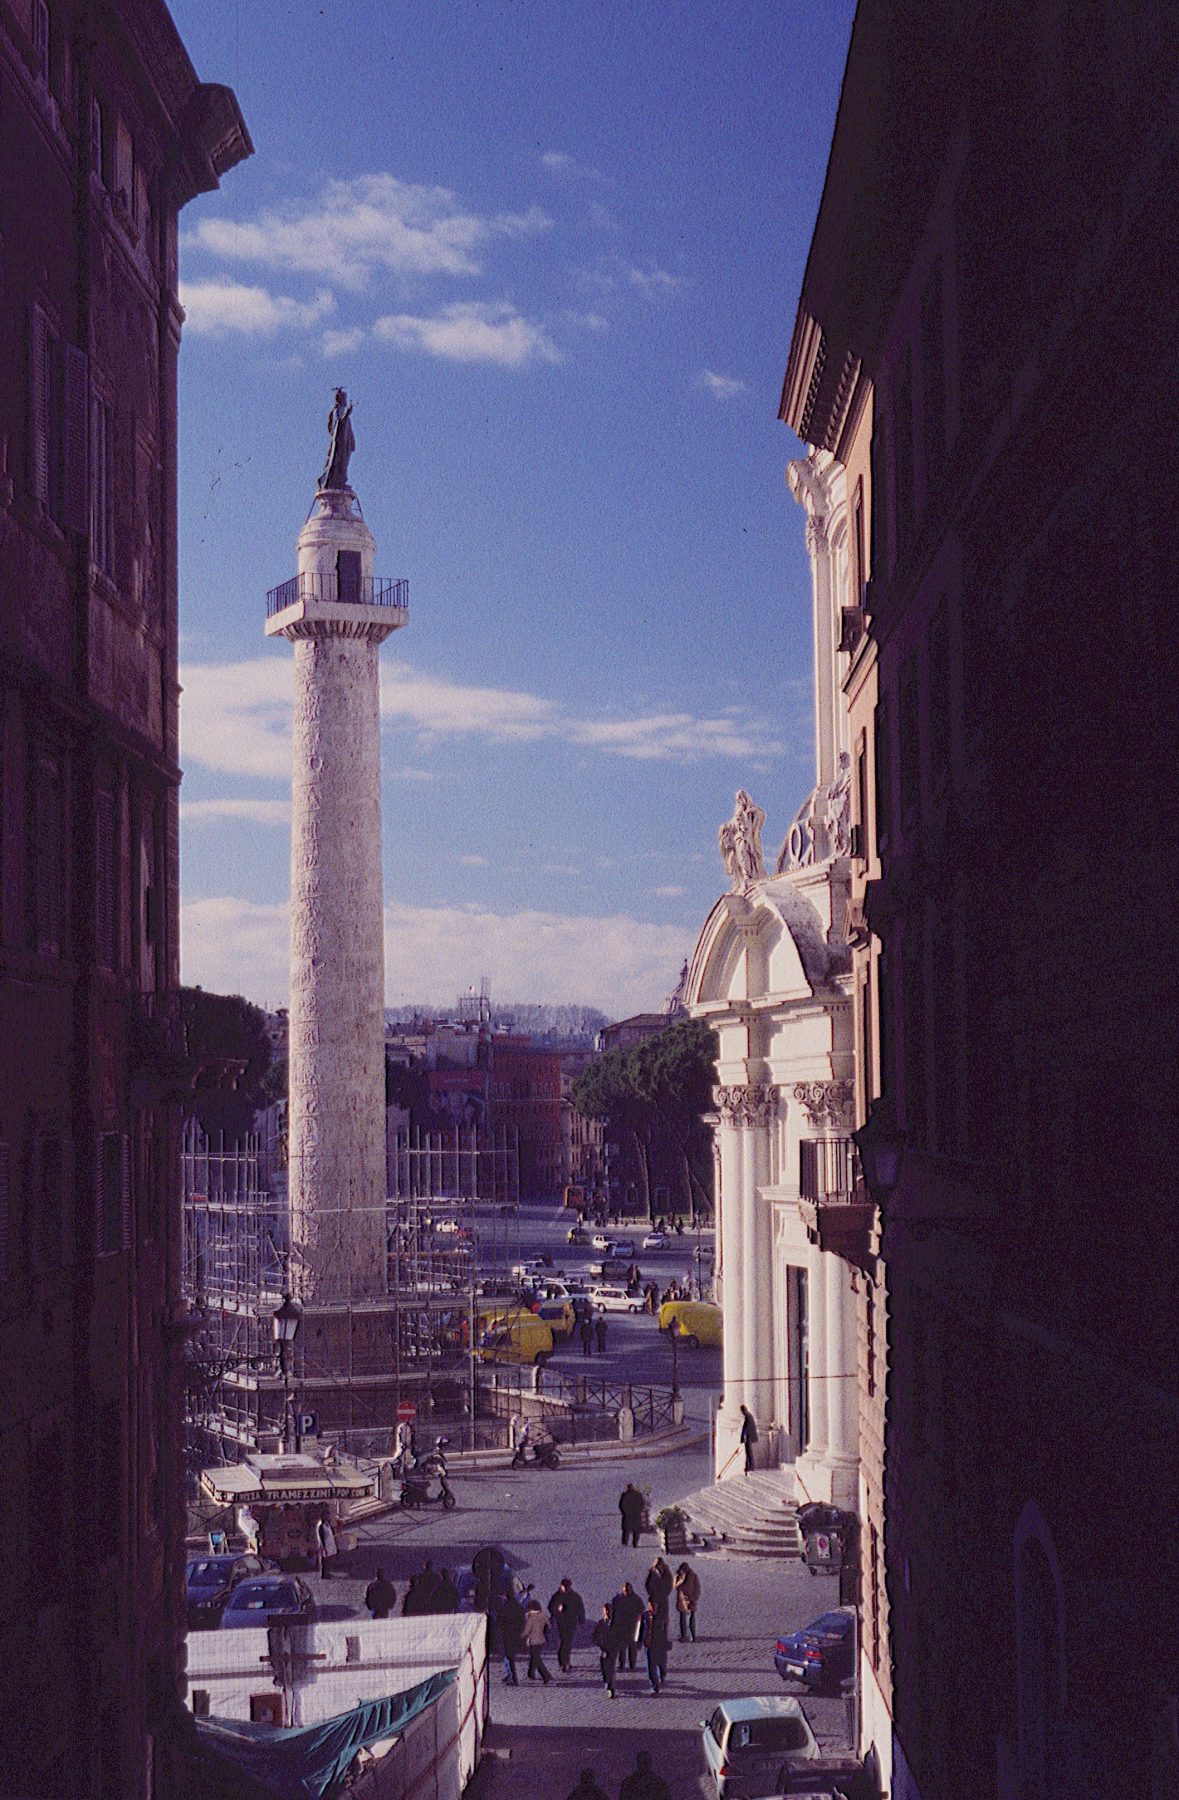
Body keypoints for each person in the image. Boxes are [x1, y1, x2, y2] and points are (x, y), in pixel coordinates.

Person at [319, 387, 355, 491]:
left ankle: (340, 481)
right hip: (339, 442)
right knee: (337, 461)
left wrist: (352, 441)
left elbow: (348, 428)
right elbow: (340, 422)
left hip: (345, 442)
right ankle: (334, 481)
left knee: (343, 462)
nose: (345, 400)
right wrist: (348, 412)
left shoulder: (340, 410)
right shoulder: (337, 411)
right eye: (344, 398)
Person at [548, 1577, 586, 1673]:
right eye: (564, 1586)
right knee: (563, 1642)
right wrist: (557, 1609)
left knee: (568, 1643)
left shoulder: (575, 1596)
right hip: (561, 1622)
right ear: (561, 1586)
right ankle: (562, 1662)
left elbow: (580, 1608)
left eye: (567, 1586)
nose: (566, 1588)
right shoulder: (556, 1596)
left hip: (571, 1622)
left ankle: (566, 1662)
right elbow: (550, 1607)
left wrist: (581, 1621)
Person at [610, 1580, 644, 1672]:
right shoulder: (617, 1599)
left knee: (632, 1649)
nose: (626, 1592)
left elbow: (641, 1613)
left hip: (632, 1628)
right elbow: (613, 1614)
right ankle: (622, 1665)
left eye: (628, 1590)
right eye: (625, 1590)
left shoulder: (636, 1599)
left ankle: (632, 1666)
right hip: (621, 1628)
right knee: (621, 1649)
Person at [640, 1600, 670, 1695]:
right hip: (648, 1644)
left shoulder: (662, 1616)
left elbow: (665, 1630)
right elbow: (640, 1629)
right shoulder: (644, 1615)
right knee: (650, 1666)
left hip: (659, 1644)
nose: (652, 1607)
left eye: (654, 1605)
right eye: (650, 1605)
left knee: (661, 1662)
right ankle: (654, 1686)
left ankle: (662, 1675)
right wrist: (639, 1640)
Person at [522, 1595, 553, 1684]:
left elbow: (527, 1630)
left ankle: (546, 1675)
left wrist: (519, 1637)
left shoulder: (531, 1618)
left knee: (536, 1659)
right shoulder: (544, 1616)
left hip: (533, 1641)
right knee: (534, 1657)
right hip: (542, 1640)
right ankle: (531, 1673)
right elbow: (549, 1627)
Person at [499, 1588, 525, 1685]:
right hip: (516, 1634)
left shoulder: (505, 1607)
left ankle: (514, 1678)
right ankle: (510, 1675)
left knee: (509, 1657)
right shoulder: (518, 1606)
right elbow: (523, 1620)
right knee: (510, 1656)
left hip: (507, 1634)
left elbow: (500, 1621)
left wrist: (501, 1629)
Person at [674, 1561, 701, 1641]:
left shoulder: (693, 1576)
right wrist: (681, 1580)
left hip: (690, 1599)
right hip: (682, 1600)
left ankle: (692, 1636)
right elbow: (675, 1586)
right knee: (682, 1618)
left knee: (691, 1618)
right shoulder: (678, 1576)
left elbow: (697, 1588)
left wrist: (694, 1598)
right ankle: (683, 1635)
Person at [644, 1555, 673, 1619]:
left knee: (663, 1616)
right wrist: (651, 1593)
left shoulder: (667, 1573)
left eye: (661, 1564)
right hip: (654, 1597)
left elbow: (670, 1584)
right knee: (654, 1616)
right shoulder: (652, 1572)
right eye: (658, 1564)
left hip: (663, 1597)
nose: (660, 1566)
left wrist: (666, 1593)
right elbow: (647, 1584)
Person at [619, 1482, 644, 1548]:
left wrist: (625, 1512)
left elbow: (621, 1505)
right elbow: (642, 1504)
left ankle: (625, 1543)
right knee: (636, 1530)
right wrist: (638, 1512)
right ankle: (635, 1544)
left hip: (628, 1515)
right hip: (636, 1515)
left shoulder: (625, 1495)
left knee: (626, 1530)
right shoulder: (638, 1494)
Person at [739, 1403, 759, 1474]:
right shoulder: (748, 1416)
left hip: (747, 1438)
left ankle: (749, 1466)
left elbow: (746, 1429)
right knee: (748, 1453)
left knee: (748, 1453)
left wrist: (743, 1438)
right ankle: (748, 1466)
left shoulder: (747, 1416)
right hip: (748, 1438)